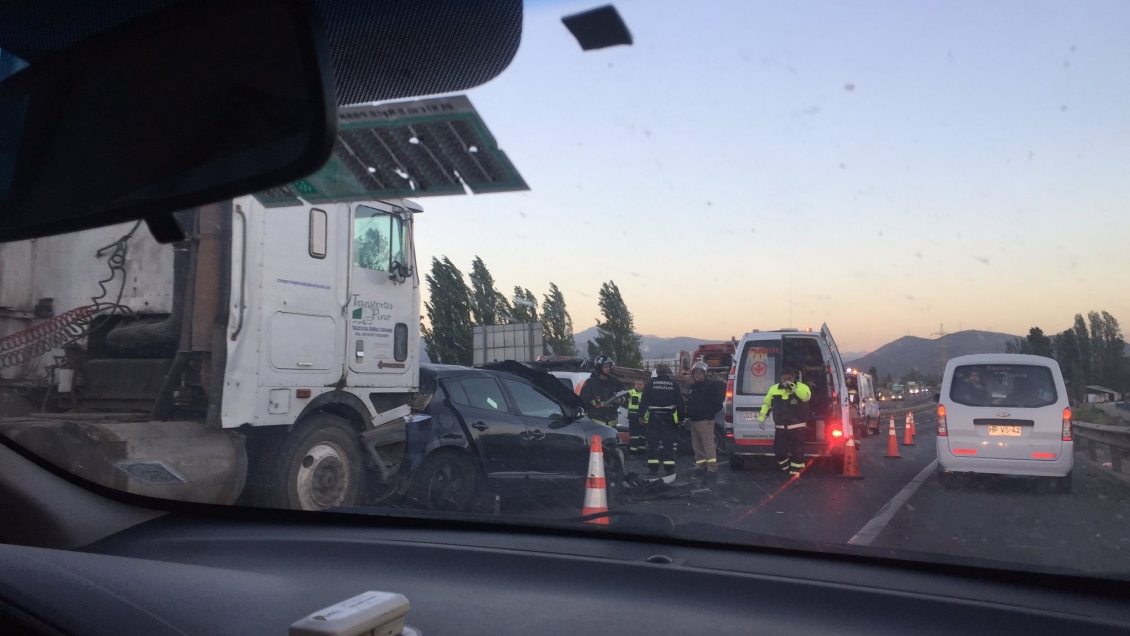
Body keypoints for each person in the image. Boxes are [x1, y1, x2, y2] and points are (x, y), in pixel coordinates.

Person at [758, 369, 812, 476]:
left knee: (798, 452)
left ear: (794, 378)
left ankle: (795, 474)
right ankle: (786, 469)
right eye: (784, 378)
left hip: (797, 427)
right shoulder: (774, 389)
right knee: (780, 452)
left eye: (789, 378)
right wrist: (762, 419)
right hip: (781, 427)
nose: (786, 381)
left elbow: (806, 397)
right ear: (780, 378)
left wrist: (794, 388)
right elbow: (767, 404)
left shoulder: (801, 387)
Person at [639, 363, 685, 476]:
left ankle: (653, 469)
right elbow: (680, 403)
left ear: (657, 372)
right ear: (668, 372)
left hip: (654, 418)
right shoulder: (674, 385)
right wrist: (680, 418)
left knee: (653, 444)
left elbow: (643, 401)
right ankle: (669, 468)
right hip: (668, 419)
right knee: (668, 444)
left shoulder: (650, 384)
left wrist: (640, 416)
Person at [686, 361, 725, 480]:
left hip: (705, 420)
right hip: (694, 421)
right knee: (697, 446)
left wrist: (708, 413)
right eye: (695, 373)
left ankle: (712, 469)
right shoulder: (693, 387)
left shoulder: (710, 386)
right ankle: (701, 466)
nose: (697, 375)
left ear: (705, 373)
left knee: (708, 446)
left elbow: (718, 404)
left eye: (699, 373)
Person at [579, 355, 621, 427]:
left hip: (613, 423)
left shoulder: (614, 381)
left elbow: (625, 394)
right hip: (596, 423)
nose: (608, 369)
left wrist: (620, 399)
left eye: (609, 366)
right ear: (599, 367)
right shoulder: (590, 383)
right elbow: (583, 402)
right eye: (605, 366)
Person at [627, 379, 645, 455]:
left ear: (643, 385)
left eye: (640, 384)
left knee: (643, 435)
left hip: (643, 416)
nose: (638, 385)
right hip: (633, 416)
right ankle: (633, 451)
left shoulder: (646, 394)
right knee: (634, 435)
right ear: (634, 385)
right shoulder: (630, 393)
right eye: (637, 384)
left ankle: (642, 451)